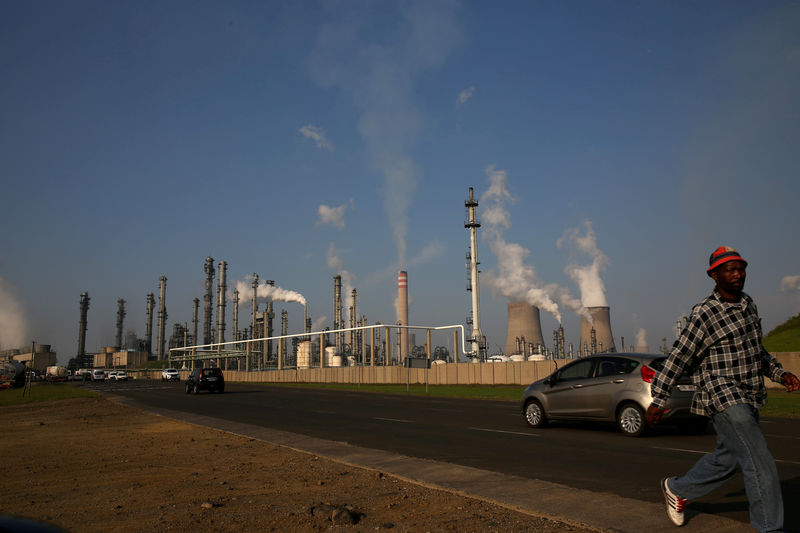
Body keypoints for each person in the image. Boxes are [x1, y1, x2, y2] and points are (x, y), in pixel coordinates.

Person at [646, 246, 800, 532]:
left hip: (749, 392)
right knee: (758, 458)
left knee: (728, 460)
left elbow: (756, 351)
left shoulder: (748, 305)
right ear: (714, 275)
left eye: (741, 268)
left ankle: (678, 489)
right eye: (730, 269)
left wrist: (780, 373)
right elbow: (680, 355)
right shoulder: (705, 313)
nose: (738, 273)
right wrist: (659, 397)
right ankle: (771, 527)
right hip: (722, 394)